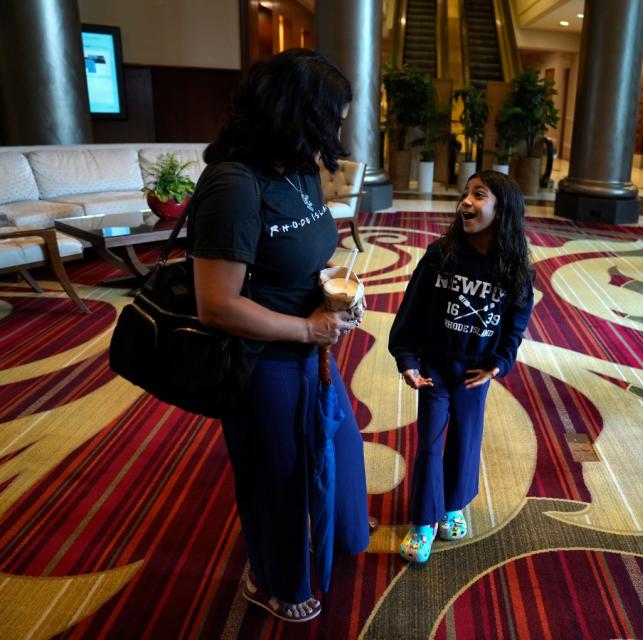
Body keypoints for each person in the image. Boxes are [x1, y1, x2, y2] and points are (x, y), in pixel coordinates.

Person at [190, 48, 370, 623]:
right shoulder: (232, 186)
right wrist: (308, 326)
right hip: (257, 358)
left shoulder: (297, 171)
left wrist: (332, 297)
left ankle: (324, 546)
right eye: (333, 115)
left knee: (338, 447)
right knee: (279, 476)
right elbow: (216, 306)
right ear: (299, 113)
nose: (338, 129)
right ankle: (272, 581)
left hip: (308, 343)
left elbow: (307, 252)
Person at [388, 171, 535, 563]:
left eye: (478, 195)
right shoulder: (441, 255)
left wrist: (498, 366)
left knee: (466, 441)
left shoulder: (514, 267)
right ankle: (423, 521)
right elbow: (411, 312)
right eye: (466, 194)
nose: (465, 202)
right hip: (435, 367)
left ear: (501, 212)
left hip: (475, 375)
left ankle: (452, 505)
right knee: (430, 444)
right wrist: (407, 360)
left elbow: (515, 326)